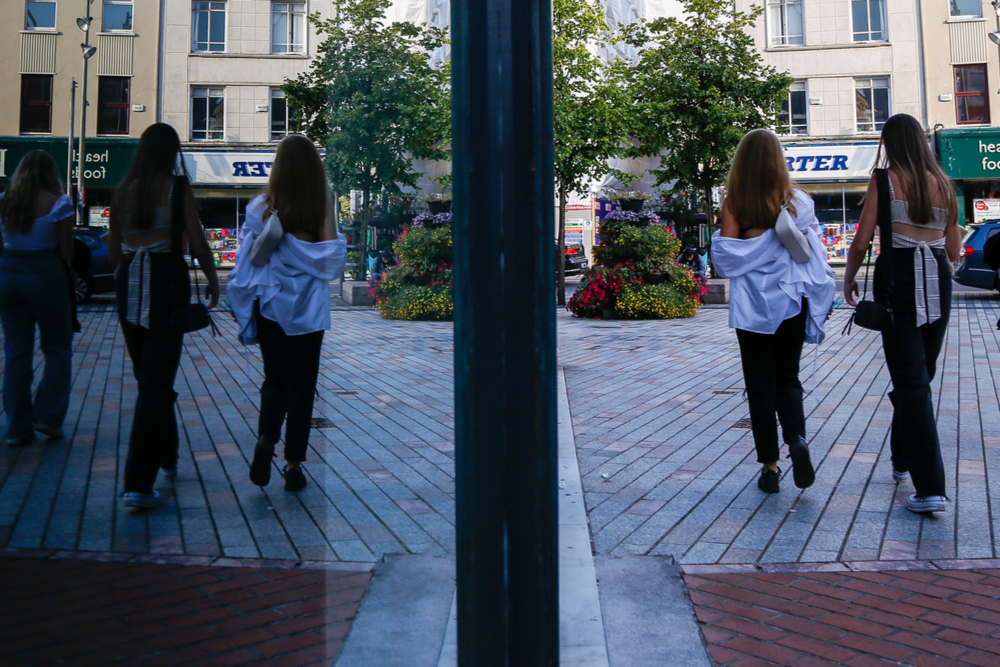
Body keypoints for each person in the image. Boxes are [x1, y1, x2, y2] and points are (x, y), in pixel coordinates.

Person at [843, 114, 960, 515]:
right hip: (937, 283)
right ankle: (902, 459)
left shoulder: (885, 179)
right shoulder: (944, 182)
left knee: (911, 384)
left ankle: (930, 489)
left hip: (900, 284)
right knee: (918, 376)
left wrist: (849, 280)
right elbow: (954, 247)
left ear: (890, 142)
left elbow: (861, 240)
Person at [711, 129, 836, 495]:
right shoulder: (799, 201)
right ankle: (796, 437)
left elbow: (727, 258)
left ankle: (769, 467)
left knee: (759, 383)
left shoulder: (736, 202)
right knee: (789, 378)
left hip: (753, 307)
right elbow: (814, 253)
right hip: (793, 301)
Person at [106, 123, 220, 509]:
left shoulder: (122, 191)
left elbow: (114, 250)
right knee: (156, 385)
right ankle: (138, 483)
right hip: (166, 287)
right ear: (171, 152)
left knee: (149, 378)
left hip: (129, 288)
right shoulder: (177, 188)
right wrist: (212, 281)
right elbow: (198, 240)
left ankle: (167, 456)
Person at [228, 135, 346, 493]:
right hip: (307, 308)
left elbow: (250, 256)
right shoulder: (321, 201)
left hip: (270, 303)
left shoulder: (261, 205)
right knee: (303, 386)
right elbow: (327, 256)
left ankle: (267, 436)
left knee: (274, 379)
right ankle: (293, 465)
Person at [0, 150, 75, 446]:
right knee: (57, 348)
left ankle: (17, 428)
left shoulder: (4, 201)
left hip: (7, 274)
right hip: (46, 274)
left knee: (16, 352)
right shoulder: (60, 203)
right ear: (50, 172)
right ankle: (48, 416)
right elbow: (67, 253)